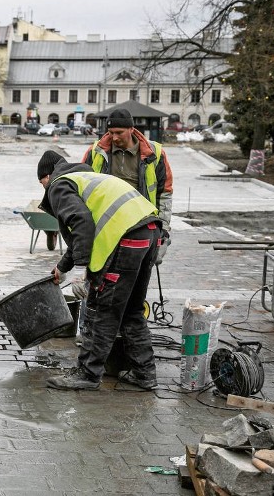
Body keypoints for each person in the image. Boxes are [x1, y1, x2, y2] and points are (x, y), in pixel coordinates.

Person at [37, 150, 162, 391]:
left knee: (103, 308)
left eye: (40, 181)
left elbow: (82, 223)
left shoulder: (58, 185)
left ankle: (87, 374)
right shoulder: (86, 179)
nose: (42, 188)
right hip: (149, 232)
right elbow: (81, 234)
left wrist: (82, 271)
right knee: (131, 309)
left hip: (126, 238)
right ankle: (144, 373)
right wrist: (62, 268)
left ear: (47, 175)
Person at [81, 108, 173, 265]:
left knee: (137, 277)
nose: (114, 137)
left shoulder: (155, 153)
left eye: (119, 132)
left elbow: (164, 193)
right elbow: (81, 187)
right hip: (105, 227)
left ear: (131, 129)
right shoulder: (95, 152)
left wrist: (163, 229)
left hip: (141, 226)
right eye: (110, 132)